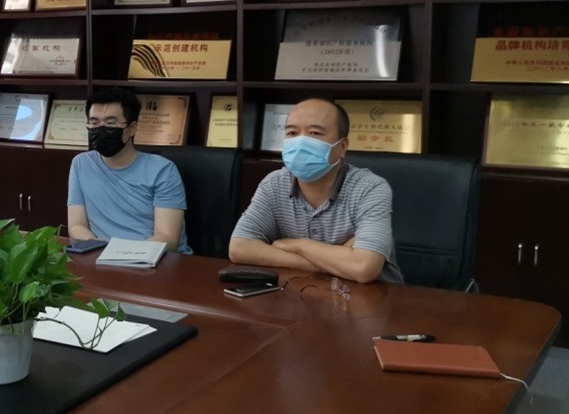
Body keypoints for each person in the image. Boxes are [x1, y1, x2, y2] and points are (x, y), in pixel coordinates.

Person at [228, 97, 403, 283]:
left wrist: (297, 246)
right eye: (292, 133)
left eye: (315, 133)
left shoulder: (370, 188)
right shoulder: (274, 184)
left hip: (373, 296)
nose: (301, 142)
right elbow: (239, 247)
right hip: (302, 290)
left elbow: (364, 268)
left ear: (342, 147)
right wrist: (336, 260)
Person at [67, 87, 192, 254]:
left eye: (111, 123)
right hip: (101, 255)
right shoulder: (81, 164)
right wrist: (97, 248)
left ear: (132, 128)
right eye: (94, 123)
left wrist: (120, 255)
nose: (101, 130)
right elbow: (76, 225)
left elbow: (168, 239)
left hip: (156, 259)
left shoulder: (163, 170)